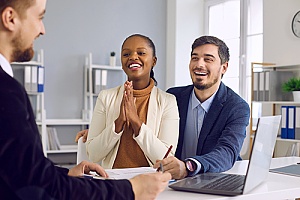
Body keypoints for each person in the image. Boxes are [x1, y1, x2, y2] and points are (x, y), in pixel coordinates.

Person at [0, 0, 171, 199]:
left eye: (141, 53)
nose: (42, 30)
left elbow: (23, 171)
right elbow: (36, 183)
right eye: (40, 17)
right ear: (10, 18)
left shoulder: (167, 101)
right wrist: (130, 190)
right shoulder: (7, 91)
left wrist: (65, 173)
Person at [153, 35, 250, 180]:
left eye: (208, 59)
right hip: (173, 180)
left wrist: (188, 166)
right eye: (194, 58)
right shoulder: (173, 97)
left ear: (224, 67)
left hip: (215, 178)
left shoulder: (237, 107)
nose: (199, 64)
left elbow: (228, 151)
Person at [82, 34, 179, 169]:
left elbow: (166, 158)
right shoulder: (105, 97)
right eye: (126, 54)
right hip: (113, 182)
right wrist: (119, 122)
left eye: (141, 53)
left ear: (154, 61)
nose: (133, 57)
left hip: (150, 183)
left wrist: (136, 122)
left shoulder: (168, 101)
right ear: (122, 63)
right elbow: (93, 154)